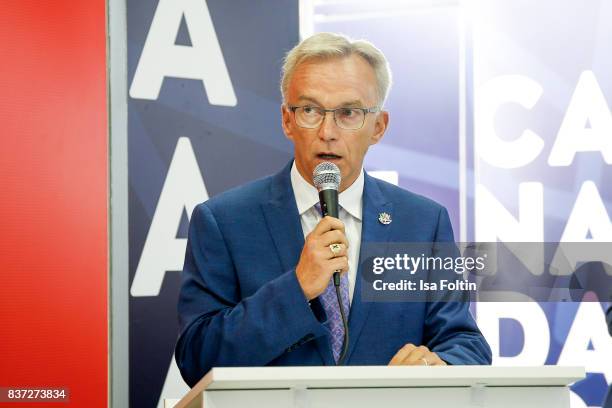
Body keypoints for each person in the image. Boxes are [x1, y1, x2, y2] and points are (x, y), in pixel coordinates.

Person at [176, 32, 491, 387]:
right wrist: (296, 288)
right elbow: (196, 359)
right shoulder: (224, 222)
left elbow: (466, 344)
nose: (328, 131)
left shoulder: (422, 223)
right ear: (287, 120)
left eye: (348, 113)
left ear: (378, 127)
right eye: (310, 110)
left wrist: (435, 367)